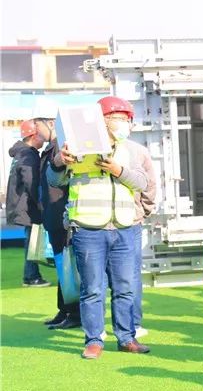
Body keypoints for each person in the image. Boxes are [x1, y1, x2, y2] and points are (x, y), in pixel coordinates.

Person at [48, 96, 152, 359]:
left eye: (126, 119)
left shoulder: (134, 150)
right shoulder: (73, 148)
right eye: (118, 118)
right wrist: (60, 161)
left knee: (125, 287)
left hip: (125, 226)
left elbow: (143, 182)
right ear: (102, 121)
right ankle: (94, 340)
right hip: (88, 227)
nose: (124, 123)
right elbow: (53, 179)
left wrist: (119, 170)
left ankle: (126, 337)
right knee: (92, 289)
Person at [36, 111, 81, 329]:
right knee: (63, 267)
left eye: (37, 124)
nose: (36, 130)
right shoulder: (51, 149)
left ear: (51, 123)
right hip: (53, 217)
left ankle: (74, 313)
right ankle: (65, 310)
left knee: (68, 267)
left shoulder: (62, 148)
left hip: (62, 217)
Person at [6, 119, 50, 287]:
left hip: (22, 205)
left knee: (31, 240)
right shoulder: (29, 155)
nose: (43, 139)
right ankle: (31, 276)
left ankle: (31, 275)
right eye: (40, 135)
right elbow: (32, 182)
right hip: (28, 206)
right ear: (33, 136)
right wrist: (41, 204)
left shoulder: (20, 153)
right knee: (32, 242)